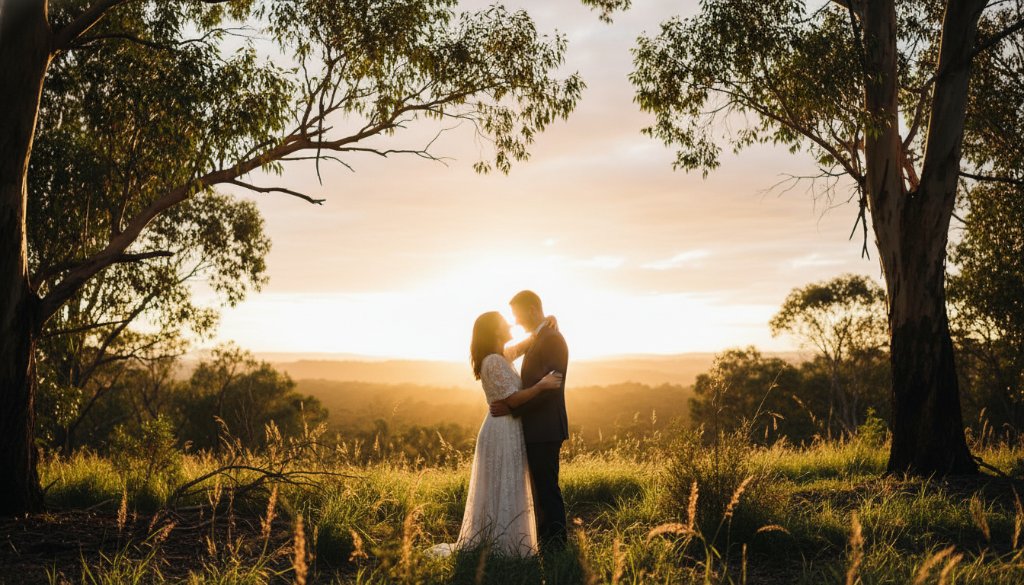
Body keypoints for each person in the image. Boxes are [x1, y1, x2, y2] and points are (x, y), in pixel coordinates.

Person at [431, 311, 562, 557]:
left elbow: (525, 344)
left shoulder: (502, 356)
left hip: (509, 427)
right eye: (505, 323)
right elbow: (512, 399)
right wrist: (541, 386)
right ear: (494, 331)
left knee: (508, 483)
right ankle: (503, 546)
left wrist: (546, 323)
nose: (511, 323)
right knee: (504, 483)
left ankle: (507, 541)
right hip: (502, 430)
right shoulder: (492, 361)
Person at [490, 290, 569, 551]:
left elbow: (552, 387)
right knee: (540, 488)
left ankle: (556, 546)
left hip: (545, 427)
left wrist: (514, 409)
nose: (516, 321)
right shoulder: (542, 336)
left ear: (533, 310)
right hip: (537, 426)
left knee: (547, 488)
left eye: (518, 314)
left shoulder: (553, 339)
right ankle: (546, 541)